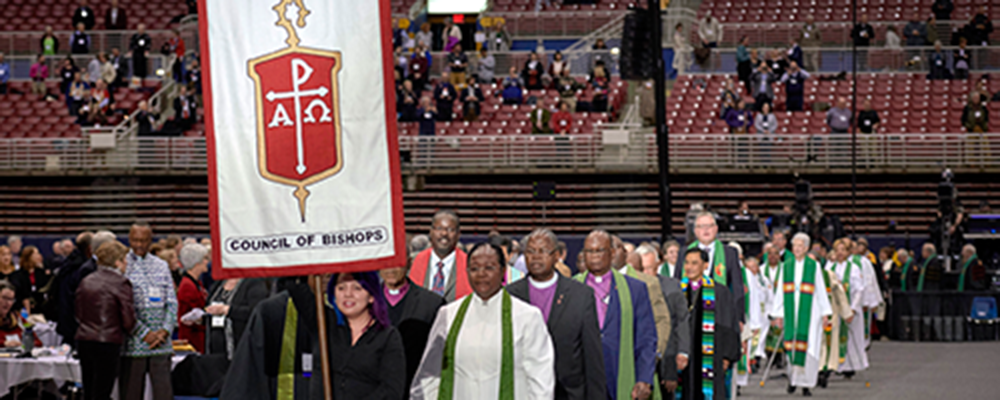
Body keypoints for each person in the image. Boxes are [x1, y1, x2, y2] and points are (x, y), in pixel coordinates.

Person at [410, 242, 555, 399]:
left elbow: (541, 380)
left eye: (489, 268)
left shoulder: (527, 316)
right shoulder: (448, 314)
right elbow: (430, 376)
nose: (481, 274)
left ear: (503, 271)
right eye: (474, 268)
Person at [507, 229, 607, 400]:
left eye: (544, 251)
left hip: (569, 392)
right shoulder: (510, 295)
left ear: (557, 256)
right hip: (521, 391)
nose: (536, 256)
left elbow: (592, 356)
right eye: (531, 251)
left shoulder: (581, 295)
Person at [575, 230, 656, 400]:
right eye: (589, 251)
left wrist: (644, 379)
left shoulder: (635, 289)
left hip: (622, 373)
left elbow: (646, 338)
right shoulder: (571, 288)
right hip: (582, 379)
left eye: (600, 250)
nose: (594, 256)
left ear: (611, 253)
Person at [669, 248, 741, 399]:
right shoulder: (675, 291)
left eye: (695, 263)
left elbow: (728, 325)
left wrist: (726, 356)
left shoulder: (719, 292)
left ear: (706, 265)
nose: (689, 267)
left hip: (711, 356)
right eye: (687, 263)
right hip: (682, 355)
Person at [769, 233, 832, 396]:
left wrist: (825, 313)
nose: (796, 249)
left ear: (806, 248)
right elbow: (780, 293)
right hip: (791, 313)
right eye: (794, 246)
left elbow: (820, 289)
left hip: (811, 312)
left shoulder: (814, 266)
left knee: (809, 347)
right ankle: (793, 380)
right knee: (792, 345)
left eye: (800, 246)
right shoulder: (786, 265)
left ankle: (807, 384)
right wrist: (778, 314)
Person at [326, 272, 406, 399]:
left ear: (371, 296)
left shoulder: (388, 336)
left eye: (357, 288)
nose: (348, 294)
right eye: (341, 288)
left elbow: (392, 390)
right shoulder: (325, 327)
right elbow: (297, 289)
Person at [121, 222, 176, 400]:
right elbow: (122, 307)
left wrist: (165, 330)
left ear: (150, 241)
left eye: (144, 241)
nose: (139, 245)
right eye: (135, 240)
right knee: (131, 394)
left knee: (164, 395)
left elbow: (172, 302)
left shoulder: (161, 265)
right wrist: (144, 333)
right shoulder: (123, 265)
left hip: (161, 344)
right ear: (129, 239)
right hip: (133, 344)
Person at [76, 240, 135, 400]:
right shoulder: (121, 283)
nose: (126, 263)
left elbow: (78, 313)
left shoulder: (86, 280)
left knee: (89, 390)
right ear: (117, 262)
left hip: (84, 340)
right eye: (124, 259)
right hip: (108, 341)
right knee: (102, 391)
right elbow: (128, 320)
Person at [379, 259, 446, 392]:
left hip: (416, 389)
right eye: (385, 262)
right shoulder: (365, 302)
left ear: (408, 263)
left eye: (397, 262)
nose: (390, 269)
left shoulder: (432, 304)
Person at [676, 212, 746, 322]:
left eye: (709, 226)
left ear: (716, 229)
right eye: (701, 226)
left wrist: (739, 318)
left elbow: (737, 288)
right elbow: (677, 284)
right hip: (691, 315)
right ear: (695, 231)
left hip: (722, 315)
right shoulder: (684, 252)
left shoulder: (730, 253)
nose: (706, 230)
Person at [825, 239, 868, 378]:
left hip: (849, 307)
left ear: (848, 252)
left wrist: (853, 309)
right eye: (837, 250)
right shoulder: (829, 267)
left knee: (850, 337)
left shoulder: (854, 268)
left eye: (843, 250)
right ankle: (834, 364)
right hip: (833, 309)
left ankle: (849, 365)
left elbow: (859, 290)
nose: (840, 253)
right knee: (833, 336)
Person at [408, 210, 469, 302]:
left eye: (450, 230)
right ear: (431, 232)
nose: (444, 233)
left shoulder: (470, 264)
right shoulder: (412, 261)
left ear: (458, 235)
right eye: (439, 228)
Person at [203, 277, 268, 359]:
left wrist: (228, 310)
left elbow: (257, 312)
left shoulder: (254, 282)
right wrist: (201, 317)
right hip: (214, 347)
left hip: (239, 345)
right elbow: (209, 306)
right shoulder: (219, 283)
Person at [177, 244, 209, 353]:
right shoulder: (187, 285)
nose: (207, 262)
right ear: (197, 262)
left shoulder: (196, 282)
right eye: (205, 258)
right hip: (192, 341)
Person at [0, 281, 41, 349]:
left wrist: (24, 344)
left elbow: (38, 342)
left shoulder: (18, 318)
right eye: (4, 298)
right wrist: (3, 343)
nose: (7, 302)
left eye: (11, 299)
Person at [19, 246, 50, 315]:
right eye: (36, 254)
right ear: (29, 256)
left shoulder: (41, 273)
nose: (39, 256)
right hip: (23, 309)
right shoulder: (19, 274)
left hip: (40, 308)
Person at [0, 246, 29, 313]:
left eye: (8, 254)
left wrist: (27, 315)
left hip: (17, 311)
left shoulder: (19, 274)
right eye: (3, 255)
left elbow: (25, 297)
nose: (6, 257)